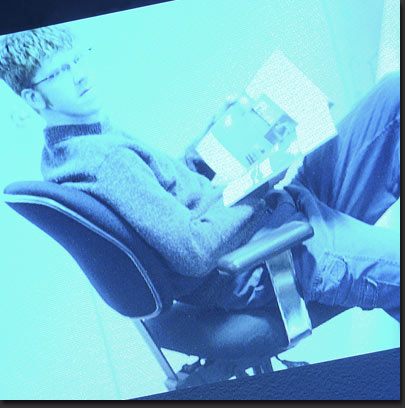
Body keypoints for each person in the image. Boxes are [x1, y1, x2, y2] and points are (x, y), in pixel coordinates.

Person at [0, 26, 400, 321]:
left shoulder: (76, 143)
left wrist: (215, 137)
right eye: (60, 71)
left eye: (77, 59)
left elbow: (167, 194)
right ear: (33, 97)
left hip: (279, 215)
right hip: (273, 251)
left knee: (392, 94)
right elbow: (193, 252)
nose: (81, 74)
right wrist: (261, 179)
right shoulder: (104, 162)